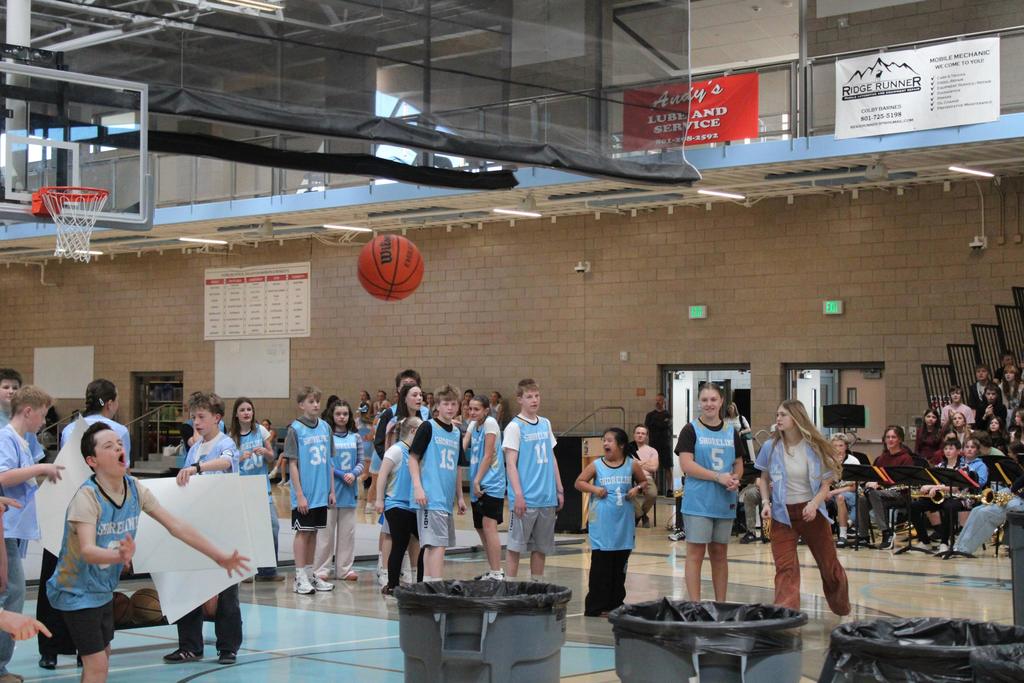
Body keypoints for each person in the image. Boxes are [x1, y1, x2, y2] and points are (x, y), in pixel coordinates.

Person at [50, 421, 249, 680]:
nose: (118, 448)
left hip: (101, 589)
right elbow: (87, 550)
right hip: (74, 590)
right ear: (92, 461)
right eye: (108, 446)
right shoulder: (87, 498)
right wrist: (118, 556)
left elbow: (176, 526)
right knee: (97, 663)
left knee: (103, 657)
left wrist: (218, 556)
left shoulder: (135, 489)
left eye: (120, 444)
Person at [43, 380, 132, 668]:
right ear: (109, 402)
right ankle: (89, 651)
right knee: (94, 583)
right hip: (99, 513)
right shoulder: (118, 432)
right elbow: (121, 470)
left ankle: (50, 651)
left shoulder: (70, 428)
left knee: (59, 573)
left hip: (65, 510)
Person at [164, 392, 245, 665]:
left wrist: (198, 467)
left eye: (201, 417)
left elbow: (227, 462)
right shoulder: (194, 448)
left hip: (222, 526)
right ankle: (190, 646)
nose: (196, 422)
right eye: (193, 417)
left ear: (217, 418)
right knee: (188, 586)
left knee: (226, 589)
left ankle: (228, 647)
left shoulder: (226, 443)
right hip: (195, 526)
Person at [756, 400, 850, 616]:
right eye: (777, 414)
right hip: (782, 515)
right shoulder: (770, 446)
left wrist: (815, 503)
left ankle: (842, 607)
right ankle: (785, 616)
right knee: (785, 568)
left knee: (829, 567)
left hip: (812, 513)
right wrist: (765, 503)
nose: (778, 418)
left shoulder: (814, 447)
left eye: (783, 415)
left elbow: (827, 483)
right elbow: (763, 477)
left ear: (796, 419)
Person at [0, 386, 64, 682]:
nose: (43, 421)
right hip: (7, 527)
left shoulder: (25, 442)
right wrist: (41, 468)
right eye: (42, 415)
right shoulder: (6, 438)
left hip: (17, 528)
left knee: (12, 593)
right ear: (28, 411)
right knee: (11, 595)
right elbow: (3, 475)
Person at [674, 383, 743, 601]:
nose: (709, 404)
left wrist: (735, 479)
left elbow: (739, 464)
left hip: (724, 500)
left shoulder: (731, 432)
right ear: (699, 403)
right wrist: (717, 476)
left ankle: (720, 604)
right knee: (695, 553)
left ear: (721, 401)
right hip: (699, 501)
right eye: (704, 400)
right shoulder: (690, 430)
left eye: (713, 399)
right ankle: (695, 604)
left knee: (720, 554)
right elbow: (686, 465)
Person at [576, 428, 645, 617]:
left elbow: (644, 482)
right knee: (601, 567)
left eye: (609, 441)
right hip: (602, 524)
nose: (605, 444)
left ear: (621, 445)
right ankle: (596, 606)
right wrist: (595, 489)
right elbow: (579, 482)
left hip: (623, 523)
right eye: (603, 440)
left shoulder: (632, 465)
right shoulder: (597, 465)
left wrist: (637, 488)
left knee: (619, 566)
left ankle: (615, 604)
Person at [503, 379, 563, 581]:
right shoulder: (515, 426)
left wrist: (559, 488)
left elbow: (552, 457)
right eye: (529, 396)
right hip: (525, 498)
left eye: (537, 396)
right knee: (515, 547)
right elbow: (510, 463)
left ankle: (536, 586)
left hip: (546, 496)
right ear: (520, 399)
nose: (534, 400)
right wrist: (518, 494)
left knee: (541, 548)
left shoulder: (545, 423)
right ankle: (509, 588)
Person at [408, 385, 466, 581]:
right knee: (435, 544)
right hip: (430, 496)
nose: (449, 408)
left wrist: (460, 497)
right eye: (445, 404)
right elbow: (413, 458)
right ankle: (434, 586)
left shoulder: (457, 433)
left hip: (446, 498)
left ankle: (429, 585)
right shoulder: (428, 427)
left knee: (437, 544)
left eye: (453, 404)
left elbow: (458, 467)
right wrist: (418, 487)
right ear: (437, 406)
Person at [284, 386, 335, 595]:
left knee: (314, 533)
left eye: (317, 401)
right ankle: (299, 576)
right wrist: (299, 494)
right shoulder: (295, 429)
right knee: (303, 533)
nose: (315, 405)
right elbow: (292, 464)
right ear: (301, 405)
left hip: (321, 493)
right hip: (305, 493)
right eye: (311, 401)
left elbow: (330, 462)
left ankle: (310, 573)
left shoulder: (326, 427)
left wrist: (331, 490)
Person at [230, 397, 282, 582]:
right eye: (242, 410)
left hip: (262, 487)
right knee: (246, 531)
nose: (246, 413)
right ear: (236, 414)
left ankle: (267, 571)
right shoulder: (232, 437)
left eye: (249, 409)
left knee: (272, 527)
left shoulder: (260, 430)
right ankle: (245, 571)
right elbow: (228, 465)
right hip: (243, 489)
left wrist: (266, 452)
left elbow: (272, 457)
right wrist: (239, 459)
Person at [314, 399, 362, 582]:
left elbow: (361, 461)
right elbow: (327, 463)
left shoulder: (355, 437)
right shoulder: (327, 437)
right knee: (325, 533)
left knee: (347, 534)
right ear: (332, 416)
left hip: (350, 492)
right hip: (330, 491)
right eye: (338, 414)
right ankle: (321, 569)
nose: (342, 417)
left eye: (345, 414)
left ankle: (344, 569)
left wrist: (354, 474)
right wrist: (343, 474)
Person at [377, 416, 423, 595]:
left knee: (423, 544)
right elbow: (382, 476)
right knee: (399, 544)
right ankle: (392, 584)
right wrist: (379, 500)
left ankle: (420, 582)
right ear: (413, 431)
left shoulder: (416, 453)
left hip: (413, 505)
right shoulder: (396, 451)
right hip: (396, 505)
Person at [464, 395, 505, 580]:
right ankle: (493, 570)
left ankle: (498, 572)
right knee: (481, 529)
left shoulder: (490, 424)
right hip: (477, 483)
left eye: (476, 409)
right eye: (470, 408)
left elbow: (488, 455)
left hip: (491, 483)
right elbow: (462, 446)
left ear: (486, 410)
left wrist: (476, 480)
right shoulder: (473, 425)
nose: (472, 412)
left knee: (489, 527)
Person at [858, 425, 915, 550]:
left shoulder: (906, 458)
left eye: (893, 437)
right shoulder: (881, 458)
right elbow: (873, 476)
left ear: (900, 439)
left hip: (900, 494)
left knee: (873, 493)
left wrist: (880, 485)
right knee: (862, 498)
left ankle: (886, 532)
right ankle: (863, 535)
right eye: (888, 437)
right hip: (881, 494)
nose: (890, 440)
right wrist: (870, 482)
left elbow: (904, 481)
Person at [60, 379, 131, 467]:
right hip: (106, 479)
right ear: (109, 404)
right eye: (117, 400)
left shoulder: (69, 429)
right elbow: (123, 467)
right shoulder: (119, 430)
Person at [825, 433, 861, 548]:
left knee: (841, 497)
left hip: (852, 493)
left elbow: (854, 487)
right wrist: (836, 466)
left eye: (840, 446)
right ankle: (848, 524)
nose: (838, 449)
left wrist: (833, 492)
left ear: (846, 447)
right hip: (836, 495)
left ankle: (843, 535)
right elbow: (826, 482)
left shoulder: (853, 461)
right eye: (835, 446)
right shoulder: (829, 461)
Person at [629, 425, 659, 528]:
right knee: (623, 491)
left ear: (646, 436)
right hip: (629, 477)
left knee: (653, 494)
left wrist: (637, 462)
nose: (640, 435)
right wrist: (646, 463)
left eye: (643, 433)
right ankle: (641, 515)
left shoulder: (652, 451)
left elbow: (654, 468)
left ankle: (639, 515)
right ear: (634, 435)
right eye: (638, 433)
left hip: (646, 478)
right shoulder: (626, 449)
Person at [644, 394, 673, 496]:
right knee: (653, 468)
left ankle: (670, 489)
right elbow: (648, 426)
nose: (657, 402)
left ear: (664, 401)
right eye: (656, 400)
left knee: (668, 467)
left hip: (665, 445)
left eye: (660, 400)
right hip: (653, 445)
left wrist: (658, 424)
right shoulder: (650, 415)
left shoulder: (668, 415)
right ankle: (654, 488)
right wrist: (660, 424)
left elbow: (665, 425)